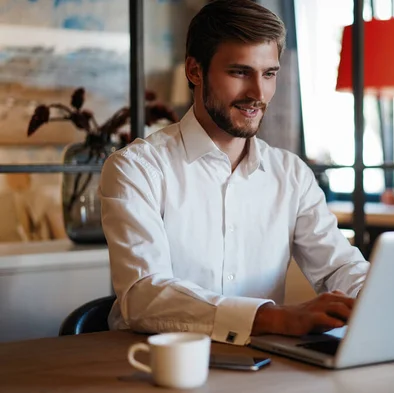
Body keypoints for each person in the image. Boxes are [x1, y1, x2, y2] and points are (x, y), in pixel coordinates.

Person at [99, 0, 369, 346]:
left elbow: (338, 268)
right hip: (152, 364)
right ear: (195, 71)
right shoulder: (136, 168)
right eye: (240, 72)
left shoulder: (292, 175)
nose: (258, 94)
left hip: (264, 365)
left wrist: (377, 297)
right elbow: (144, 295)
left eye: (269, 74)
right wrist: (275, 317)